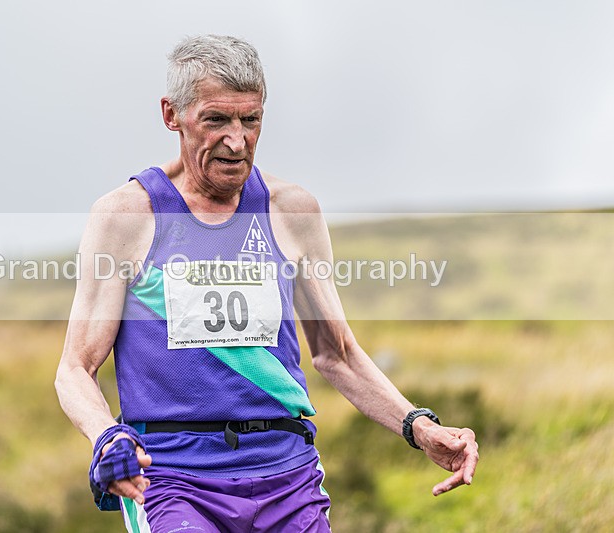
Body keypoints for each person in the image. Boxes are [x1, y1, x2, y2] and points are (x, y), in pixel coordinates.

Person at [55, 34, 479, 533]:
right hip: (172, 481)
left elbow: (336, 353)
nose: (237, 141)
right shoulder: (126, 216)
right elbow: (75, 368)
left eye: (250, 120)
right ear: (172, 115)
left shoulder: (292, 211)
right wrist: (107, 437)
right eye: (216, 120)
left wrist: (420, 428)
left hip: (287, 474)